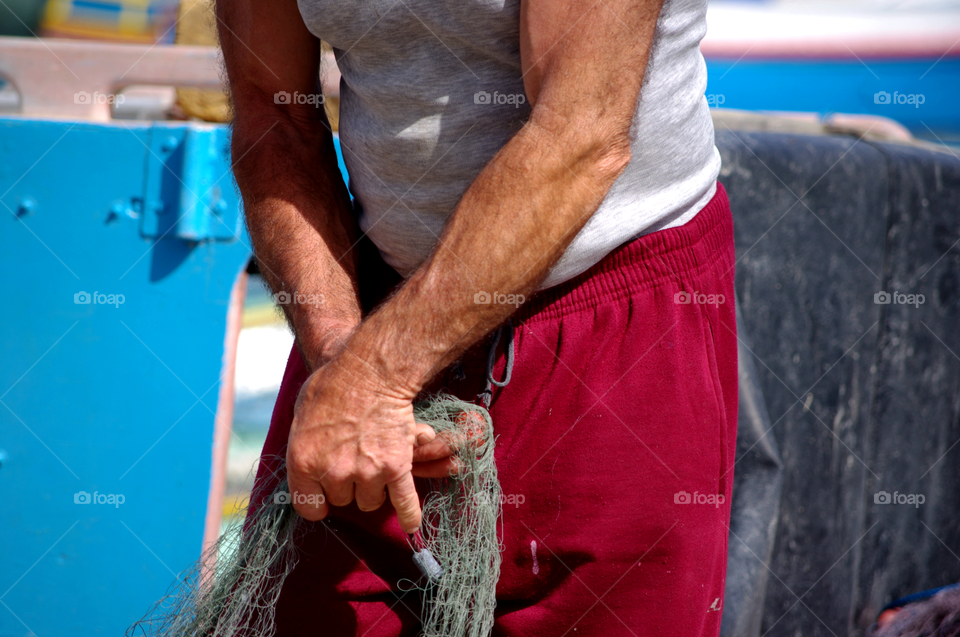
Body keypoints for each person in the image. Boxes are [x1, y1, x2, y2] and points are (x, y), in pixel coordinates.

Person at [217, 0, 738, 633]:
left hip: (612, 314)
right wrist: (341, 360)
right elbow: (272, 106)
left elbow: (581, 134)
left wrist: (373, 381)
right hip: (367, 305)